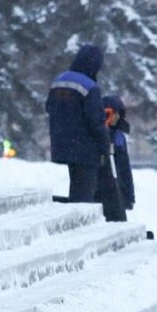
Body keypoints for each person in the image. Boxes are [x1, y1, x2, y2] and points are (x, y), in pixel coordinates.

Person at [46, 44, 112, 204]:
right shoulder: (89, 87)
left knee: (75, 184)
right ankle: (80, 225)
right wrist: (105, 146)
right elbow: (96, 121)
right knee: (83, 194)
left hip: (62, 143)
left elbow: (49, 107)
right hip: (85, 148)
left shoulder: (59, 81)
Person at [101, 95, 135, 215]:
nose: (117, 116)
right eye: (115, 113)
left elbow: (125, 169)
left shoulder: (119, 136)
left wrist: (129, 196)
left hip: (118, 187)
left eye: (119, 113)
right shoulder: (99, 134)